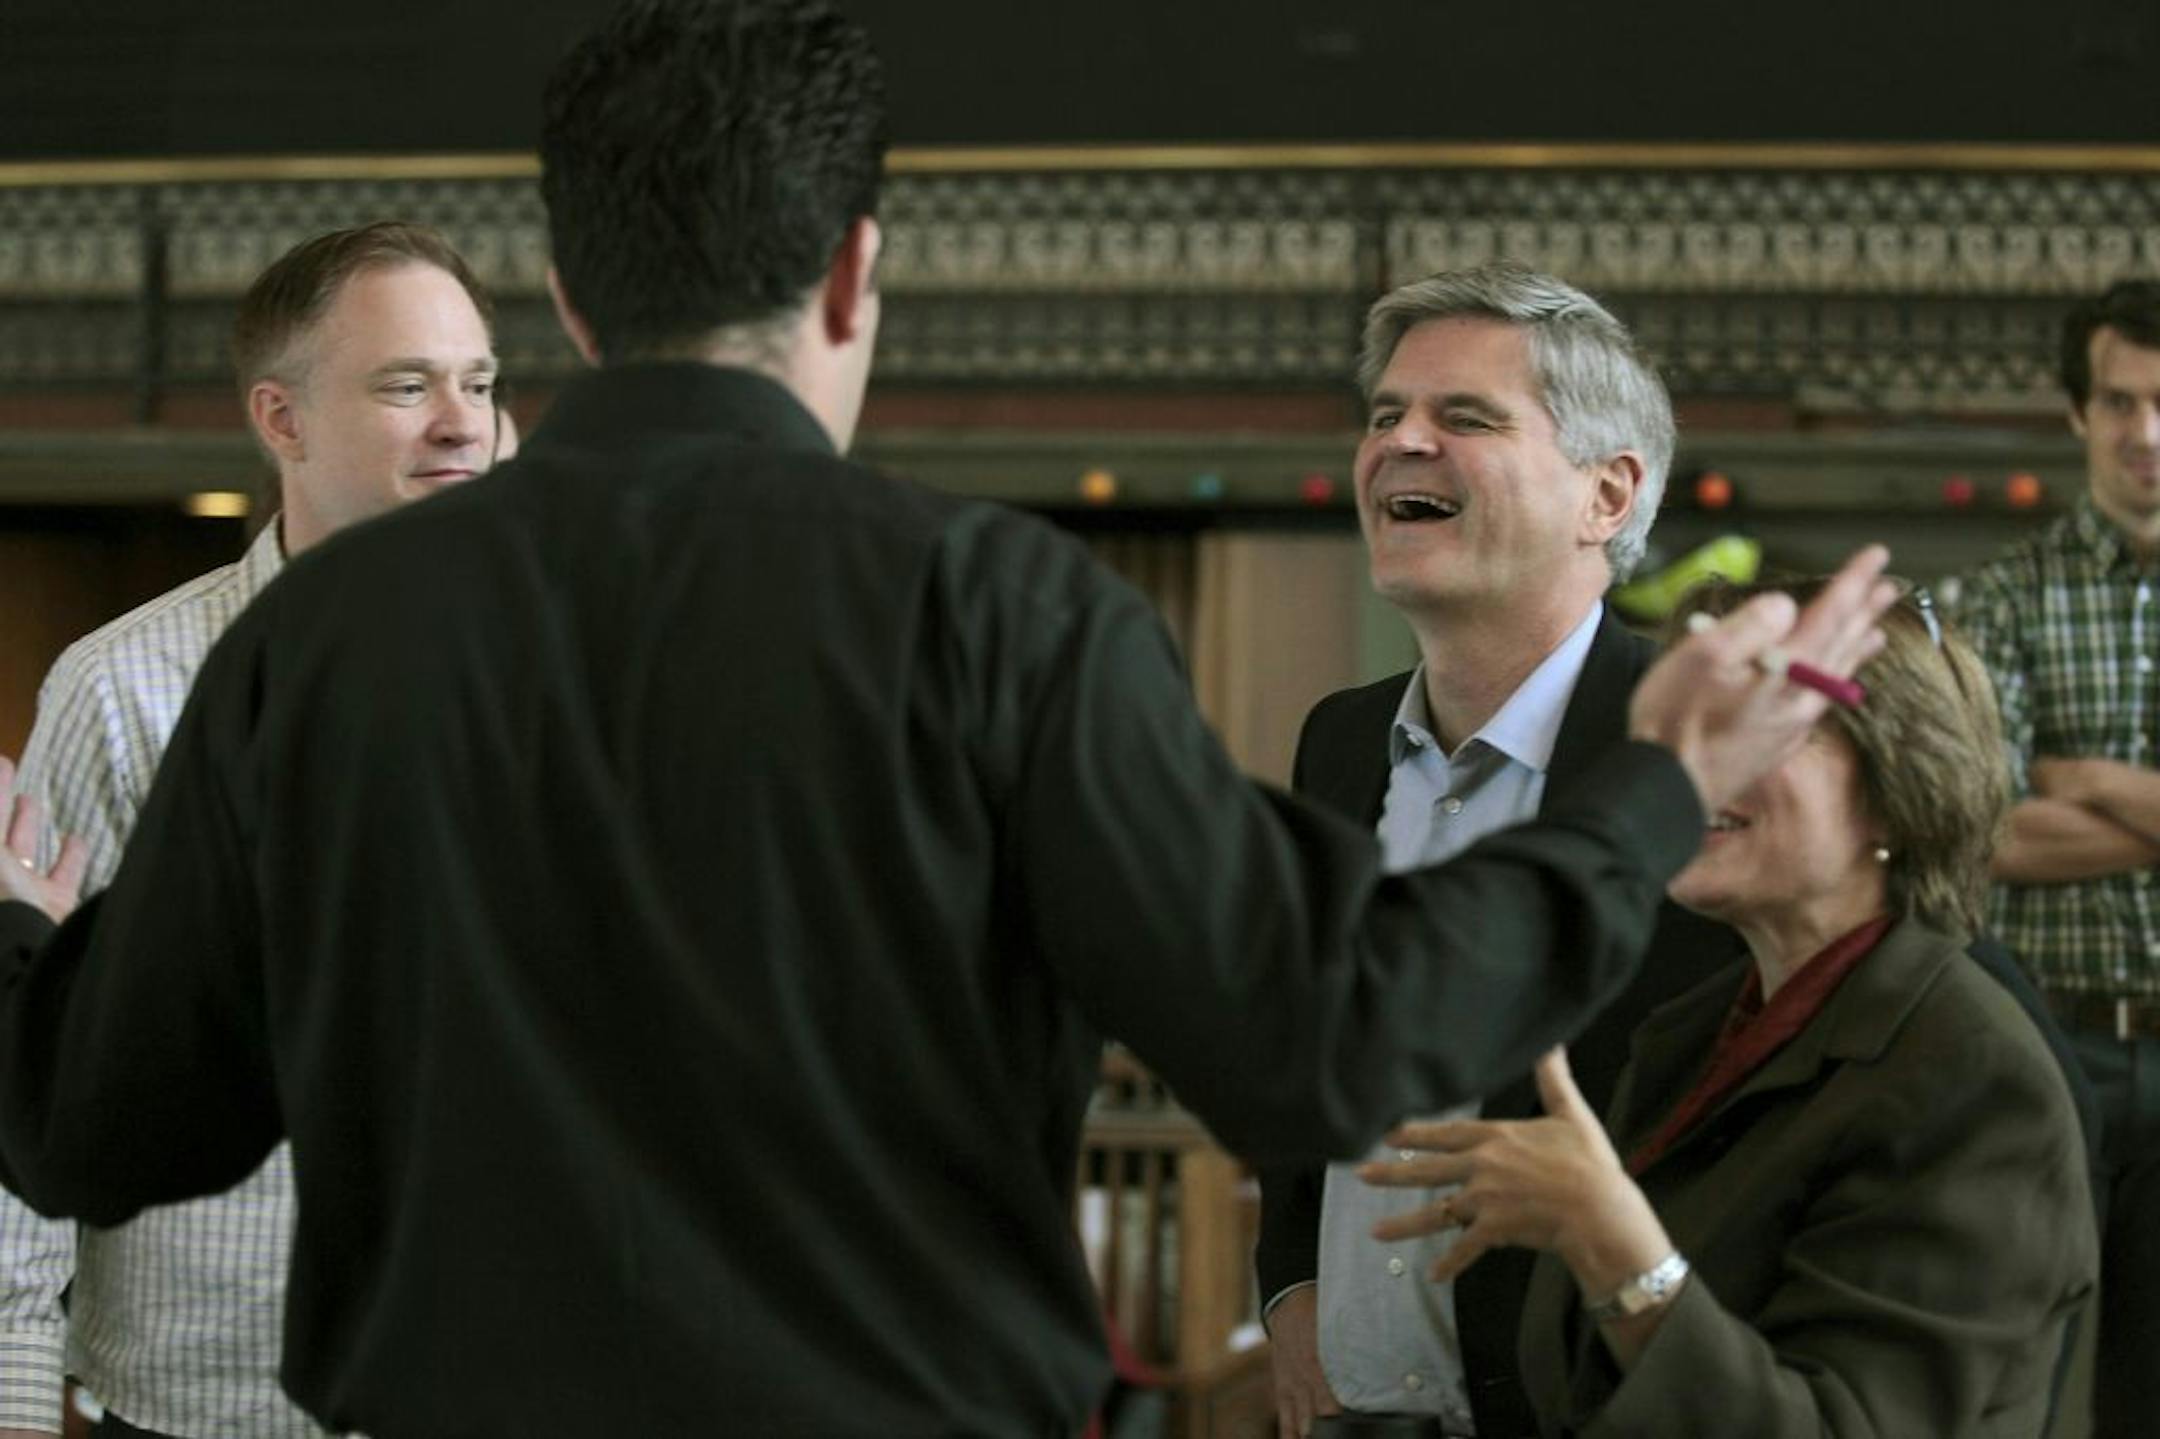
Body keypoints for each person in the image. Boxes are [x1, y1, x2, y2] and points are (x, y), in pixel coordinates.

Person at [0, 2, 1895, 1432]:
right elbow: (1333, 1034)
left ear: (570, 297)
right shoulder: (1004, 616)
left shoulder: (323, 642)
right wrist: (1651, 791)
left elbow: (94, 1124)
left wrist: (17, 936)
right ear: (853, 273)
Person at [1363, 583, 2096, 1437]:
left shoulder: (1972, 1074)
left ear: (1900, 781)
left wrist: (1609, 1237)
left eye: (1759, 723)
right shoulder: (1696, 1031)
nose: (1696, 763)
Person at [0, 221, 498, 1439]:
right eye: (405, 384)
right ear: (281, 420)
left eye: (479, 382)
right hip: (203, 1405)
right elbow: (28, 1057)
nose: (461, 422)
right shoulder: (122, 687)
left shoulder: (556, 674)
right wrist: (13, 1386)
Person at [1253, 264, 1735, 1439]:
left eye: (1464, 417)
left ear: (1606, 496)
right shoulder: (1340, 738)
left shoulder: (1694, 750)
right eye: (1384, 415)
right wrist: (1290, 1279)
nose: (1400, 441)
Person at [1955, 277, 2160, 1439]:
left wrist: (2079, 779)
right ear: (2079, 412)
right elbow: (1987, 830)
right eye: (2121, 401)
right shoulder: (2000, 599)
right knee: (2012, 1373)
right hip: (2049, 1044)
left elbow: (2038, 808)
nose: (2148, 433)